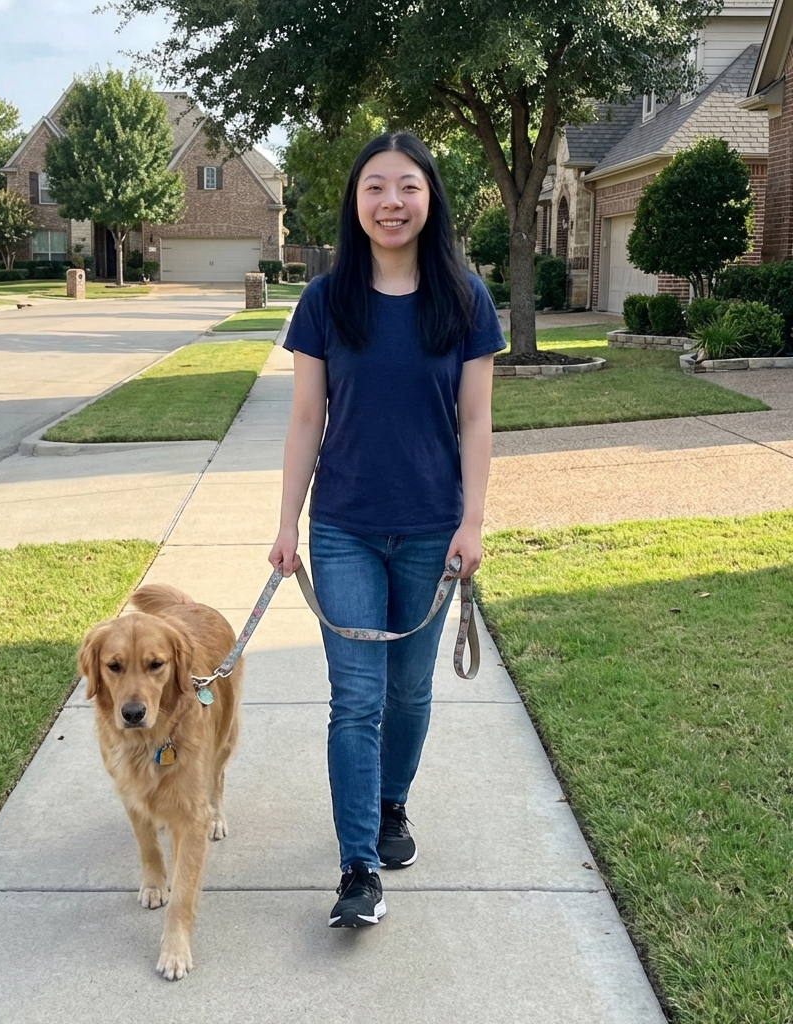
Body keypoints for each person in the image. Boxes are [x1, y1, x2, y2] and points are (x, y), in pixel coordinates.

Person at [268, 132, 505, 929]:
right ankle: (358, 867)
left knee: (409, 692)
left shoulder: (466, 299)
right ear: (355, 202)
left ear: (429, 198)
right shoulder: (326, 301)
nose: (391, 202)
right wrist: (285, 523)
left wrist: (472, 522)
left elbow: (476, 420)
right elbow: (307, 417)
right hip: (345, 530)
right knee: (355, 698)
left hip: (433, 530)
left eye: (407, 186)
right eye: (375, 187)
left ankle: (391, 805)